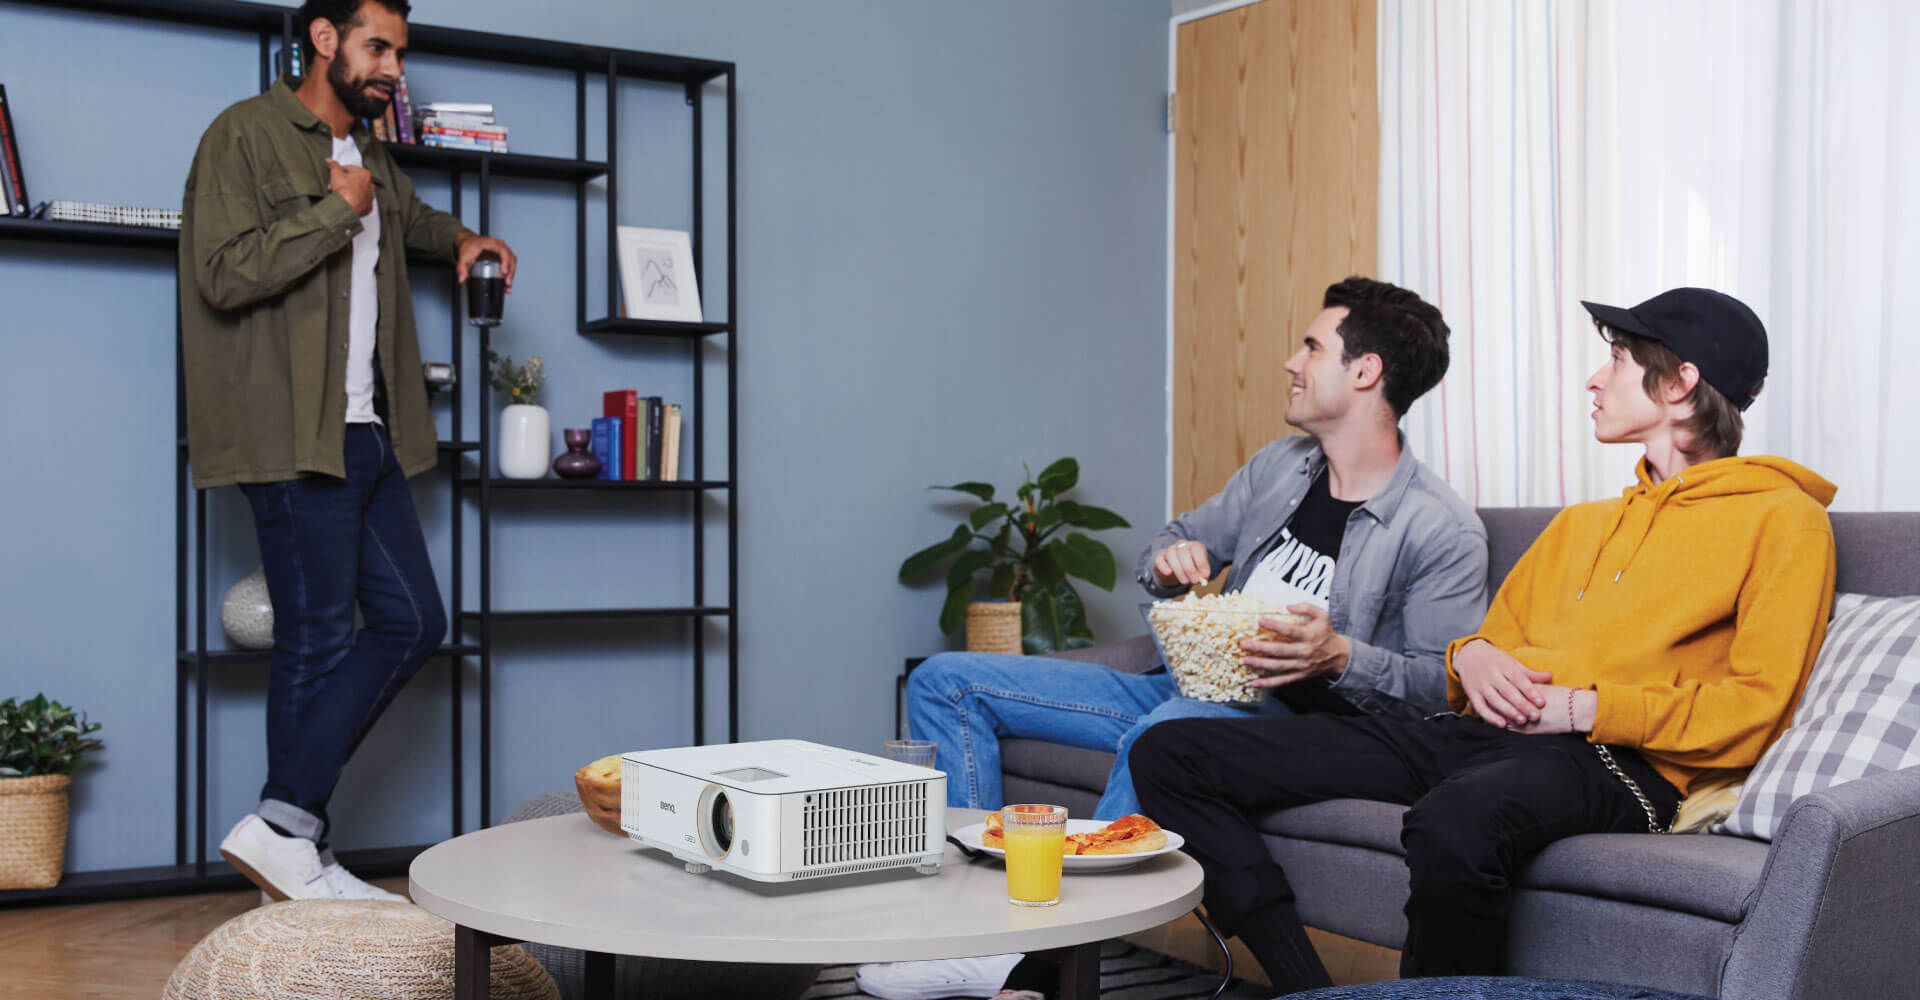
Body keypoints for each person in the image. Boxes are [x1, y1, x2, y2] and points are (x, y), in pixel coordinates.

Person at [1133, 287, 1837, 993]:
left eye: (1618, 359)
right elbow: (1481, 651)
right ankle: (1306, 988)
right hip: (1487, 739)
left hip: (1621, 765)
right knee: (1172, 751)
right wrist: (1471, 656)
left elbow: (1756, 705)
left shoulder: (1783, 519)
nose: (1596, 378)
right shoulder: (1582, 524)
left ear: (1682, 381)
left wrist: (1587, 709)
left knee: (1455, 821)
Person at [857, 277, 1487, 1000]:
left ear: (1365, 372)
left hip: (1286, 720)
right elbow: (1177, 539)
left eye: (1312, 346)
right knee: (946, 680)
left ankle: (1034, 950)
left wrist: (1339, 654)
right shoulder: (1281, 467)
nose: (1291, 361)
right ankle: (974, 926)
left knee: (1167, 732)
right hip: (1178, 683)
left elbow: (1442, 687)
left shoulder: (1439, 527)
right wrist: (1170, 561)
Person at [179, 0, 516, 901]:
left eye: (399, 53)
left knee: (412, 623)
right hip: (289, 433)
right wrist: (332, 213)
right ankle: (294, 848)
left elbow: (408, 221)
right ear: (324, 39)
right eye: (378, 47)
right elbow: (219, 273)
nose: (393, 68)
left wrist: (465, 239)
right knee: (317, 641)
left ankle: (285, 831)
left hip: (368, 432)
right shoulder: (243, 136)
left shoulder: (371, 159)